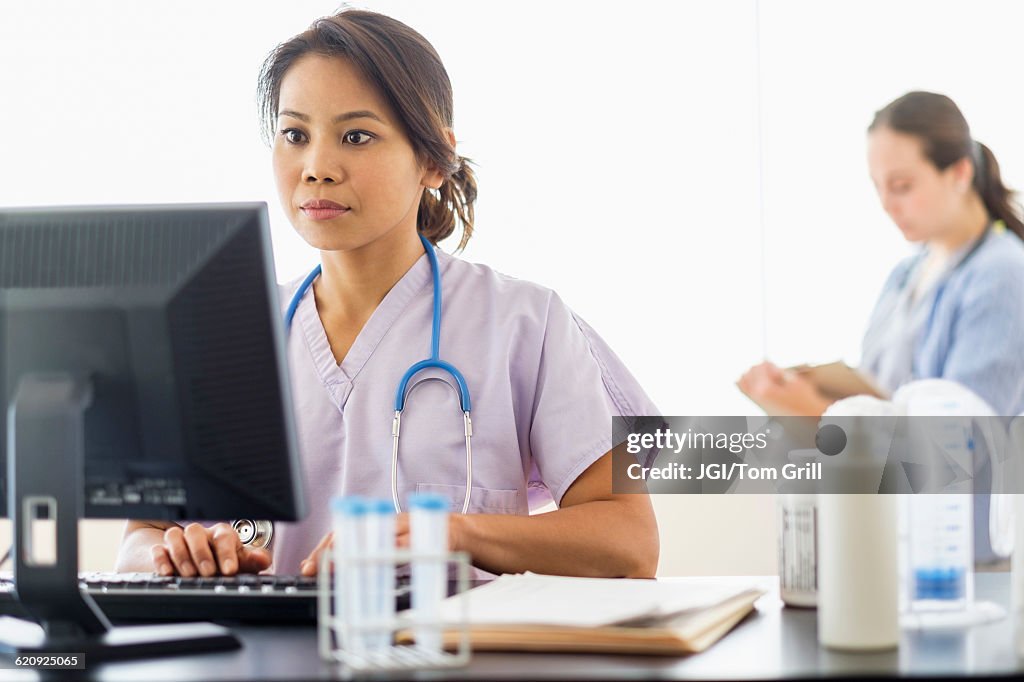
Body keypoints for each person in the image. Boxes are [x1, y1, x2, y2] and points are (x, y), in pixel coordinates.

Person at [115, 9, 659, 579]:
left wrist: (449, 532)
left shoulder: (526, 322)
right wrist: (176, 554)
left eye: (357, 136)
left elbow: (629, 542)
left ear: (432, 159)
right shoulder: (226, 335)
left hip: (457, 661)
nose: (317, 168)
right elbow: (137, 544)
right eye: (295, 134)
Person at [738, 91, 1024, 419]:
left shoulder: (1004, 274)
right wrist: (802, 391)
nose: (887, 204)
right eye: (878, 187)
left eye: (902, 186)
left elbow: (966, 445)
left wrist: (816, 412)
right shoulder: (906, 273)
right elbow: (879, 398)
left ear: (960, 173)